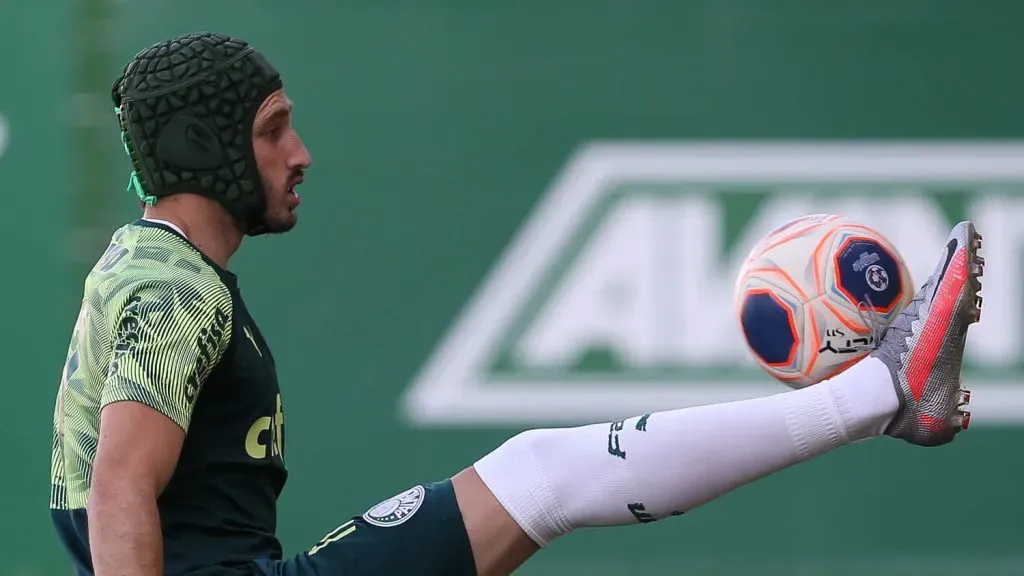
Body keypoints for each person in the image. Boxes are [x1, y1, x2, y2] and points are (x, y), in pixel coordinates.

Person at [49, 32, 984, 576]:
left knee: (543, 475)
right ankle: (881, 393)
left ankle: (884, 396)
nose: (301, 154)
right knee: (545, 474)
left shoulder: (153, 268)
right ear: (200, 147)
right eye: (272, 129)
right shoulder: (173, 289)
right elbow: (119, 486)